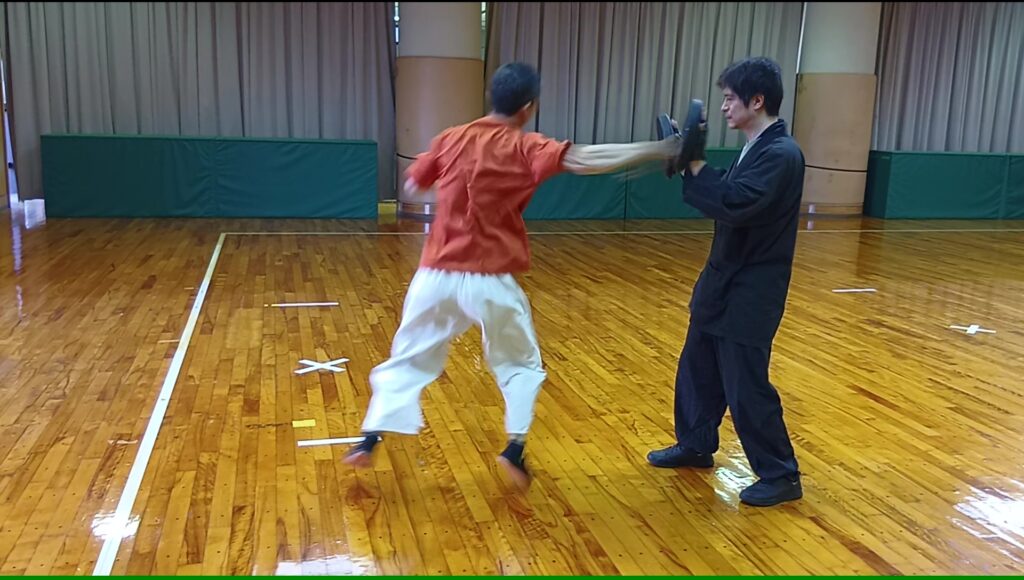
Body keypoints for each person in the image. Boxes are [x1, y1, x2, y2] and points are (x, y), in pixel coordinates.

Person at [344, 62, 679, 491]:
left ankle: (369, 439)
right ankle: (514, 448)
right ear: (529, 107)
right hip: (489, 280)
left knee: (407, 357)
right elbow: (587, 159)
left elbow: (413, 184)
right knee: (520, 364)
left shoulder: (451, 137)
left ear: (493, 98)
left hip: (434, 276)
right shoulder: (525, 146)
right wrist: (660, 149)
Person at [647, 57, 805, 507]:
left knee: (746, 385)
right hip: (722, 282)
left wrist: (695, 163)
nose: (723, 107)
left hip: (752, 290)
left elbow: (736, 202)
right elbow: (725, 196)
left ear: (757, 100)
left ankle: (781, 474)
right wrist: (690, 163)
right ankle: (696, 444)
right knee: (697, 369)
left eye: (731, 98)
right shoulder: (755, 148)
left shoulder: (781, 154)